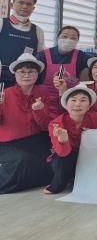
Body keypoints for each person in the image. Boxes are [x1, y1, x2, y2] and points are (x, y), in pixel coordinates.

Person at [0, 53, 52, 193]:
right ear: (15, 74)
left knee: (51, 158)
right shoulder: (5, 93)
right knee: (22, 160)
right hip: (7, 143)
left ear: (37, 74)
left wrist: (39, 111)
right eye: (22, 72)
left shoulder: (43, 92)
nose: (26, 75)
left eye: (31, 71)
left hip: (34, 139)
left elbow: (45, 125)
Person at [46, 84, 97, 194]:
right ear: (66, 105)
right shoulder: (56, 124)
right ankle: (58, 185)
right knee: (61, 161)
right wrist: (63, 141)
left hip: (90, 155)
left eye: (83, 100)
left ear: (89, 106)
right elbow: (62, 153)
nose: (77, 104)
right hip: (66, 157)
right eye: (73, 100)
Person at [37, 26, 97, 118]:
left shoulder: (80, 56)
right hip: (45, 101)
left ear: (77, 41)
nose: (68, 40)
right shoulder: (43, 55)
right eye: (64, 36)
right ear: (58, 37)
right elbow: (33, 74)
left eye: (73, 38)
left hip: (71, 101)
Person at [0, 0, 45, 87]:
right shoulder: (1, 23)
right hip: (2, 77)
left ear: (33, 8)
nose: (25, 6)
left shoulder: (38, 31)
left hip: (25, 80)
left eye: (29, 4)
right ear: (11, 5)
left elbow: (40, 57)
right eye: (21, 2)